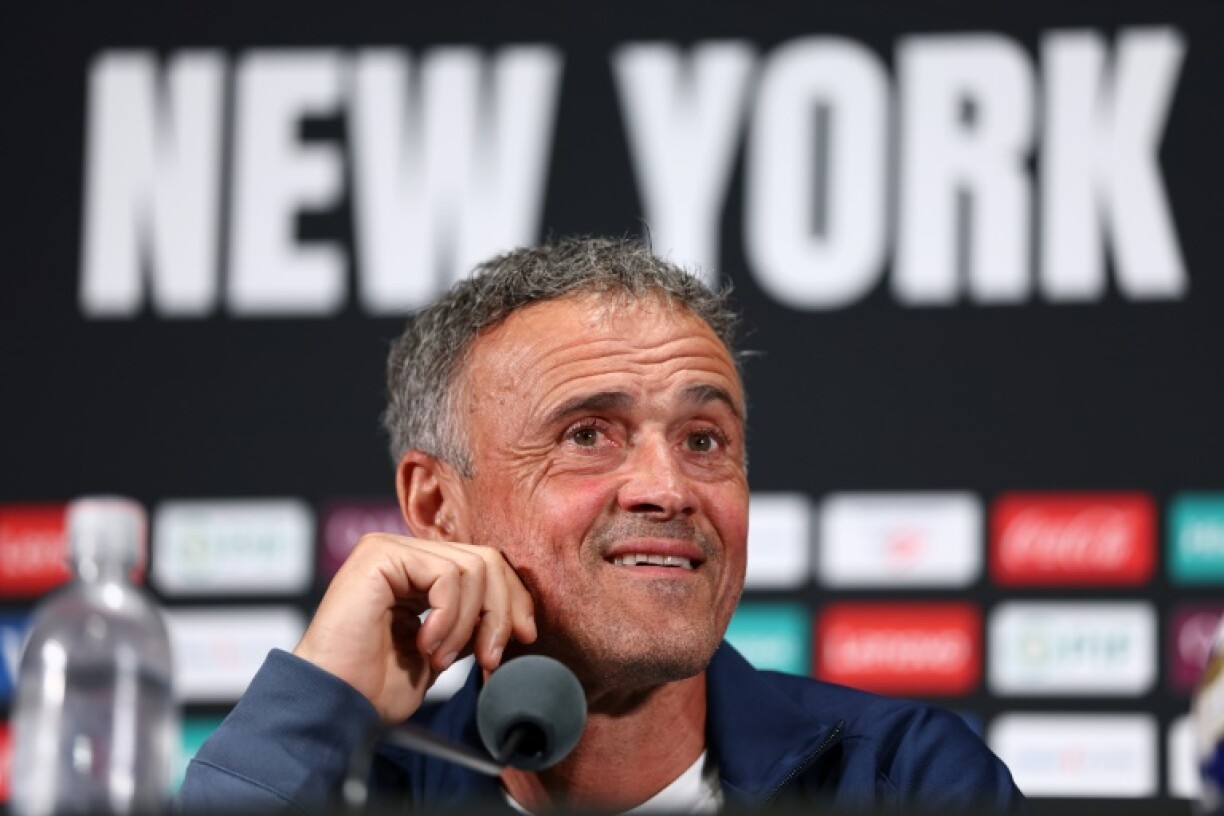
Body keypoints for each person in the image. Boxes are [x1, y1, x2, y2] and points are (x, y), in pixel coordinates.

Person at [179, 237, 1022, 812]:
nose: (668, 487)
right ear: (437, 508)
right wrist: (311, 708)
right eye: (587, 435)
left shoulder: (897, 778)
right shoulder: (363, 794)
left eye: (704, 440)